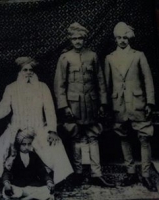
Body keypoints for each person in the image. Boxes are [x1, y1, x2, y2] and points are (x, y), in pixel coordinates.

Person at [0, 57, 73, 185]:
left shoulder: (43, 87)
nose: (28, 72)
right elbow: (3, 109)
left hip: (39, 127)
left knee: (55, 144)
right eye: (25, 70)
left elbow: (50, 111)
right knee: (2, 145)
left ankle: (60, 178)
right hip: (16, 128)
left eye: (31, 70)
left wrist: (52, 130)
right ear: (20, 72)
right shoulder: (11, 88)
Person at [54, 22, 115, 187]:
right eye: (74, 39)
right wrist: (64, 106)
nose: (77, 41)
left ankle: (97, 173)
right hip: (73, 106)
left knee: (93, 137)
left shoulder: (92, 56)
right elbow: (59, 85)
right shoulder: (65, 58)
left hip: (91, 105)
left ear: (84, 39)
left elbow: (100, 81)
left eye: (80, 38)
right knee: (76, 137)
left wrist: (103, 103)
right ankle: (78, 173)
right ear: (70, 40)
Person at [105, 22, 157, 192]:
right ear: (115, 39)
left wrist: (150, 102)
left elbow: (148, 80)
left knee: (144, 138)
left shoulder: (139, 56)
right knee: (123, 137)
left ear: (129, 38)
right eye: (119, 37)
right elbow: (106, 84)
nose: (122, 40)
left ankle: (147, 174)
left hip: (138, 104)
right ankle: (130, 172)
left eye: (125, 37)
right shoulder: (110, 58)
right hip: (118, 105)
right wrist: (106, 104)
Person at [2, 128, 54, 200]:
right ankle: (30, 198)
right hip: (18, 186)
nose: (27, 147)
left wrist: (49, 182)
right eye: (24, 144)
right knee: (9, 191)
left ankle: (28, 198)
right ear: (18, 144)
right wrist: (6, 183)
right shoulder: (13, 157)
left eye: (29, 144)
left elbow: (42, 172)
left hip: (32, 186)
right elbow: (7, 172)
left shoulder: (34, 156)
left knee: (46, 191)